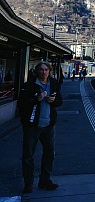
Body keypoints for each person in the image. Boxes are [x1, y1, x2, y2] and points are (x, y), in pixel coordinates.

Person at [18, 61, 63, 194]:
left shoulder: (53, 84)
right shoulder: (29, 85)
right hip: (32, 126)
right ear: (37, 71)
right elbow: (21, 104)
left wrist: (54, 101)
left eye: (46, 70)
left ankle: (45, 180)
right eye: (41, 70)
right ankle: (28, 184)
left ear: (49, 71)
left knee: (49, 154)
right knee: (28, 156)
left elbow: (60, 102)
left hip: (49, 125)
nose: (44, 72)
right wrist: (36, 99)